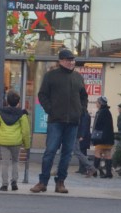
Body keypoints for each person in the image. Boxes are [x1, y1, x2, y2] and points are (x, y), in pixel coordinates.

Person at [30, 48, 88, 195]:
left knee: (67, 154)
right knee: (50, 151)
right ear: (60, 61)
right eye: (68, 60)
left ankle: (60, 182)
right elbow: (42, 95)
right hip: (55, 121)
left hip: (73, 121)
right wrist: (50, 110)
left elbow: (84, 97)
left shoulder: (78, 77)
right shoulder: (51, 76)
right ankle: (43, 182)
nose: (71, 62)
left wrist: (81, 110)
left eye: (73, 60)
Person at [0, 90, 31, 191]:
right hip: (16, 142)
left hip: (3, 141)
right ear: (18, 102)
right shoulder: (22, 114)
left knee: (5, 163)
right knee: (15, 161)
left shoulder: (0, 113)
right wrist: (27, 145)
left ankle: (4, 184)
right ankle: (14, 182)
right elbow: (25, 131)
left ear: (7, 102)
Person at [91, 95, 115, 178]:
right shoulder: (108, 112)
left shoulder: (101, 112)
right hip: (109, 138)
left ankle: (94, 172)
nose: (96, 104)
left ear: (100, 103)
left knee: (97, 152)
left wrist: (94, 136)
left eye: (97, 102)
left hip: (101, 138)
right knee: (108, 153)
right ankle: (109, 173)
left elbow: (97, 125)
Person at [73, 108, 93, 176]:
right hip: (82, 136)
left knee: (82, 152)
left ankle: (85, 168)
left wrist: (82, 136)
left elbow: (84, 126)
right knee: (80, 152)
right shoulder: (83, 115)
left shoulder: (85, 115)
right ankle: (82, 168)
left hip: (83, 137)